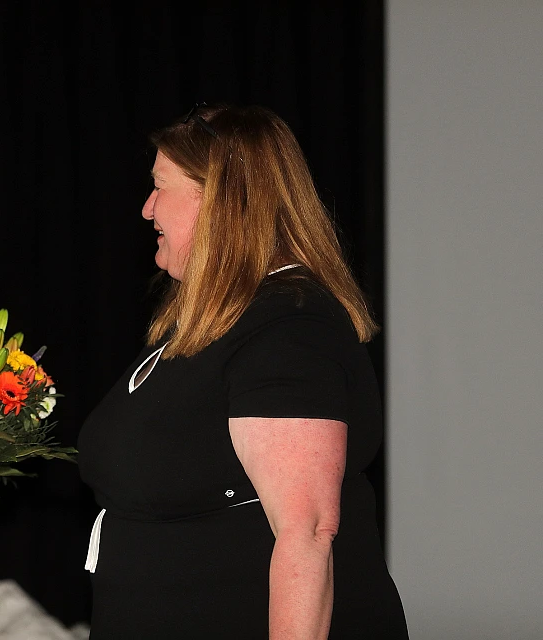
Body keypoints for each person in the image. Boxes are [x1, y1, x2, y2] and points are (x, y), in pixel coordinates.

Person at [78, 103, 408, 638]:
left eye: (161, 186)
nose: (147, 208)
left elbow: (307, 533)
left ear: (220, 201)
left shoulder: (289, 328)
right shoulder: (219, 321)